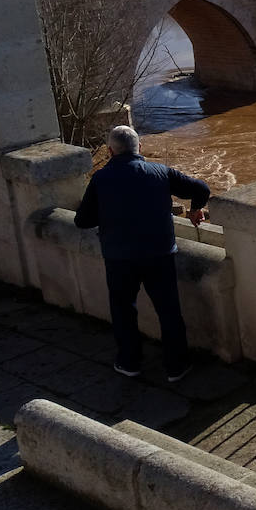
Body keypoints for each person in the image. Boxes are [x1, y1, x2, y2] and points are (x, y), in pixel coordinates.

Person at [74, 125, 210, 382]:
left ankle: (129, 362)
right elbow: (201, 188)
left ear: (111, 151)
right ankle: (176, 366)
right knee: (169, 310)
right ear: (141, 147)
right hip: (159, 255)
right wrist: (195, 210)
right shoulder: (160, 172)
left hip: (119, 257)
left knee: (124, 310)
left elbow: (82, 221)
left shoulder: (101, 179)